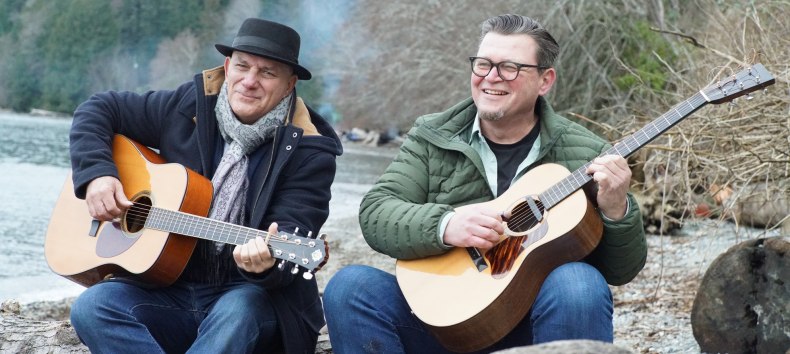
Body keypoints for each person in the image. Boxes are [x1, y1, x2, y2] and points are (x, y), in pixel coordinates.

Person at [323, 14, 646, 353]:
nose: (491, 77)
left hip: (537, 329)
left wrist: (616, 210)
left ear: (544, 81)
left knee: (580, 284)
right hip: (446, 327)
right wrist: (446, 225)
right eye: (483, 64)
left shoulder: (588, 153)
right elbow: (377, 212)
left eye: (509, 67)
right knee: (350, 286)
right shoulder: (433, 134)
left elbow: (621, 270)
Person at [68, 18, 342, 353]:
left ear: (289, 85)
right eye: (242, 66)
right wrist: (97, 174)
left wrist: (266, 265)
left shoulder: (311, 152)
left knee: (239, 311)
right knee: (93, 307)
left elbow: (292, 230)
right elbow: (98, 108)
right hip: (166, 286)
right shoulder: (189, 106)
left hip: (249, 299)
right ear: (227, 67)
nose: (249, 81)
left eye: (267, 73)